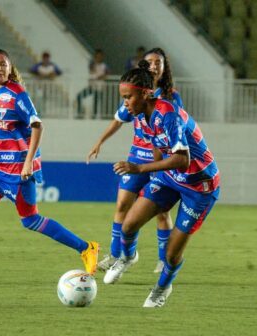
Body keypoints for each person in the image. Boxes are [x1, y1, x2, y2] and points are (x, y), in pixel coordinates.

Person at [0, 49, 99, 284]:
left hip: (19, 169)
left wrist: (28, 162)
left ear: (9, 69)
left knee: (30, 220)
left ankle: (86, 248)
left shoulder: (18, 95)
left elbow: (38, 126)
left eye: (3, 65)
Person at [105, 59, 220, 307]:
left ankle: (162, 288)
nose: (125, 103)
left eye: (128, 97)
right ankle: (127, 257)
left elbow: (182, 158)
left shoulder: (167, 113)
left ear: (145, 93)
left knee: (171, 253)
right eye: (123, 97)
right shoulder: (143, 114)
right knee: (128, 225)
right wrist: (155, 177)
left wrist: (140, 169)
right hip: (170, 178)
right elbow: (159, 147)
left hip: (199, 185)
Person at [87, 48, 183, 277]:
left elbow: (171, 132)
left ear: (164, 67)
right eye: (149, 62)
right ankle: (117, 254)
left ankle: (163, 259)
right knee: (122, 205)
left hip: (162, 161)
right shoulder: (134, 90)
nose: (153, 66)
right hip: (137, 157)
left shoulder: (171, 97)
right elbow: (119, 120)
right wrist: (100, 140)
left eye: (158, 62)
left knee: (161, 212)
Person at [77, 49, 110, 118]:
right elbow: (91, 71)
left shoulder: (105, 66)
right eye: (97, 56)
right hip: (92, 86)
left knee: (95, 102)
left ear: (102, 57)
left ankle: (94, 116)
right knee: (79, 96)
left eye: (100, 56)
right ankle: (80, 114)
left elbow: (106, 75)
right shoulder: (92, 64)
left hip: (99, 87)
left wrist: (98, 77)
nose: (98, 58)